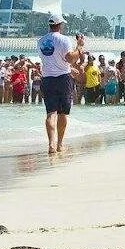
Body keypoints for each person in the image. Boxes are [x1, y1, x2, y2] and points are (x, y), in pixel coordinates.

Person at [38, 13, 83, 154]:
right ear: (60, 25)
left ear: (50, 25)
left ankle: (51, 144)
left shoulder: (40, 40)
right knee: (63, 113)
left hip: (47, 78)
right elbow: (70, 59)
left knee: (50, 112)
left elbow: (51, 58)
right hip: (63, 78)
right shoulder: (64, 39)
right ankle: (60, 144)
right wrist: (80, 47)